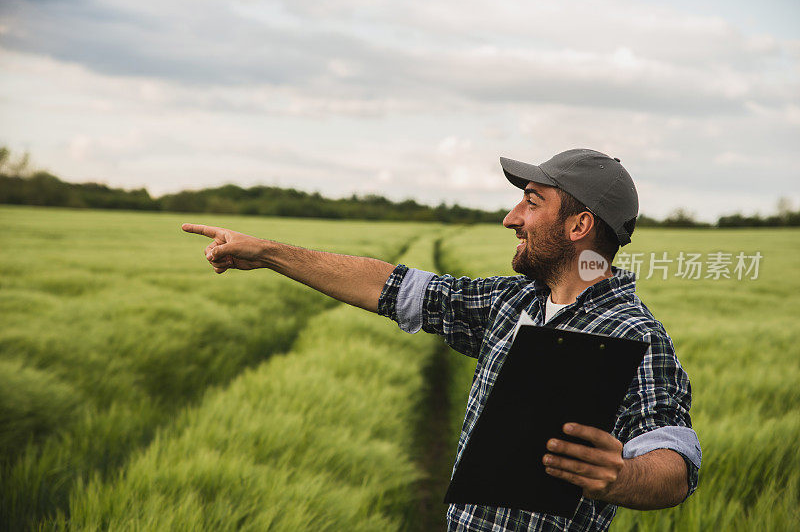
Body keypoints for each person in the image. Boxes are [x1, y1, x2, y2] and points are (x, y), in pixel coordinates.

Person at [181, 148, 701, 531]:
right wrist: (268, 253)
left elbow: (674, 462)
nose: (511, 217)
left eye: (532, 202)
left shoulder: (634, 335)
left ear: (579, 225)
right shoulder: (512, 302)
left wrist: (619, 477)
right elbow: (388, 286)